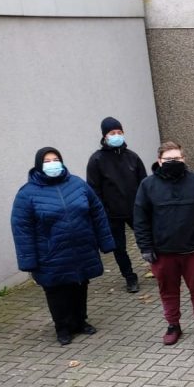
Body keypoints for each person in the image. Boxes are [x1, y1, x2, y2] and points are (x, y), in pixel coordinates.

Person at [11, 147, 115, 345]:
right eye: (47, 161)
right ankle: (62, 327)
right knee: (57, 292)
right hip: (51, 254)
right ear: (39, 165)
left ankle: (80, 322)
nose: (52, 164)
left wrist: (106, 241)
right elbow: (22, 229)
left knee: (80, 285)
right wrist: (28, 261)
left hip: (81, 250)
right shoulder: (27, 194)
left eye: (55, 159)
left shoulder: (77, 184)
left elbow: (97, 213)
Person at [134, 142, 194, 345]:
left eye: (177, 159)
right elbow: (140, 219)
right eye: (168, 160)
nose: (173, 162)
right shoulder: (147, 185)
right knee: (168, 290)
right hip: (163, 252)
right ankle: (173, 325)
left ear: (184, 159)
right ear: (159, 161)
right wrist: (145, 247)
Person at [86, 116, 147, 293]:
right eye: (112, 133)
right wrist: (103, 212)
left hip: (136, 210)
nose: (116, 135)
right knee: (119, 248)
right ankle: (129, 277)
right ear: (105, 136)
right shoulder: (96, 160)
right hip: (111, 214)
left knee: (147, 240)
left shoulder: (132, 157)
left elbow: (144, 183)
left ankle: (157, 268)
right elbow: (93, 190)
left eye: (119, 132)